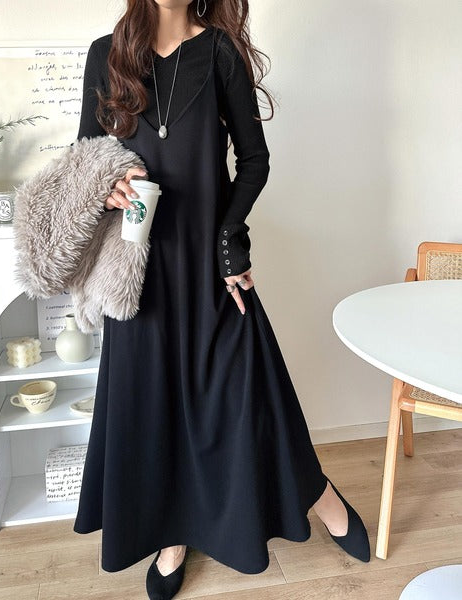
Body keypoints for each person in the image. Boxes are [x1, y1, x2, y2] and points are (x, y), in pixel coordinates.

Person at [72, 1, 371, 598]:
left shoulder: (220, 54)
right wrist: (109, 188)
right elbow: (84, 156)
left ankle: (319, 494)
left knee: (251, 389)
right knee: (154, 404)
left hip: (208, 262)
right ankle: (172, 536)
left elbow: (254, 161)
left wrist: (232, 241)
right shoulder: (106, 55)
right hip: (139, 268)